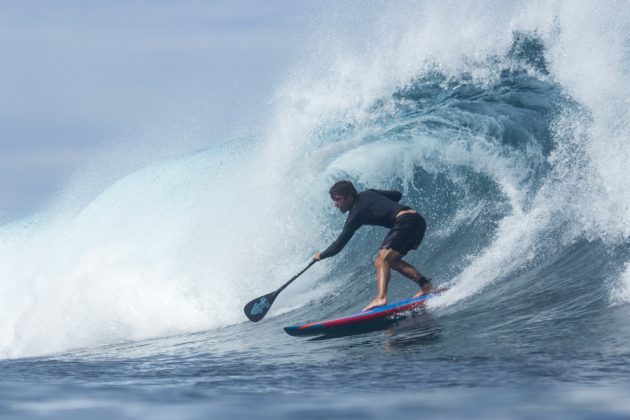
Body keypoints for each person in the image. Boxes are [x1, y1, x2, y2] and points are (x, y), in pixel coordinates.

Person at [313, 180, 433, 311]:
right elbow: (397, 195)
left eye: (338, 199)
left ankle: (381, 298)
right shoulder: (369, 193)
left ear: (349, 196)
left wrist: (321, 255)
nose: (335, 204)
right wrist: (382, 205)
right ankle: (426, 286)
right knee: (391, 261)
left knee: (381, 260)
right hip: (417, 219)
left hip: (405, 222)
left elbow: (338, 245)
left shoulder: (355, 214)